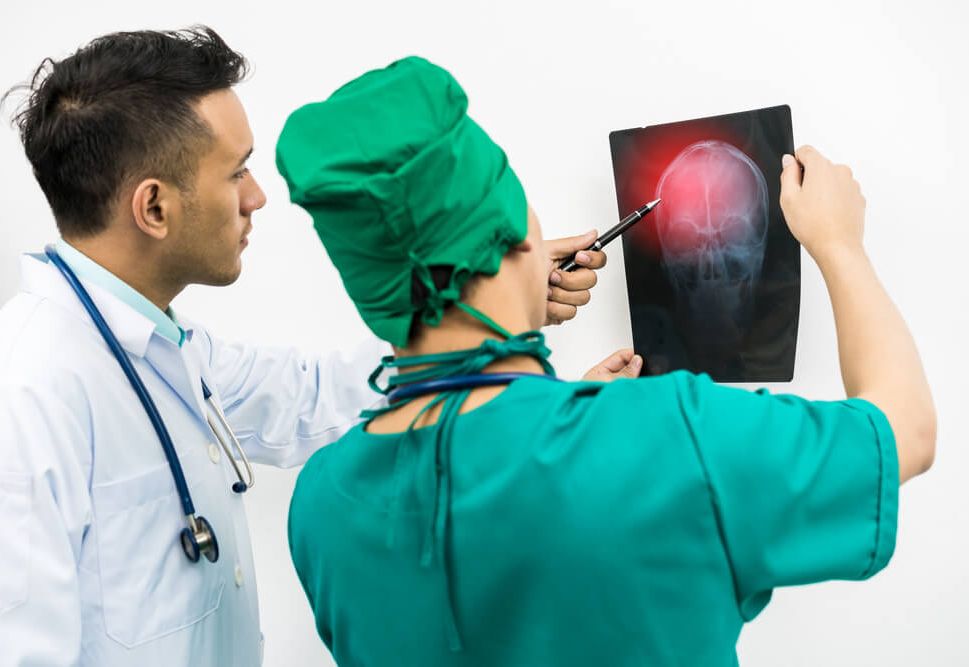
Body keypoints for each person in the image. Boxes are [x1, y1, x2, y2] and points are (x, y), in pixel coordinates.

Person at [0, 29, 606, 666]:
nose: (258, 196)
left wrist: (487, 295)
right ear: (154, 207)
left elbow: (310, 395)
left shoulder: (166, 345)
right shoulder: (21, 387)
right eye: (236, 171)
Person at [279, 56, 936, 666]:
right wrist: (841, 243)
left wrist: (562, 399)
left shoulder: (320, 504)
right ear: (513, 225)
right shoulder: (670, 436)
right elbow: (903, 429)